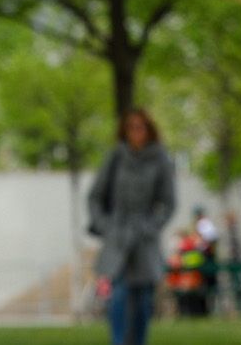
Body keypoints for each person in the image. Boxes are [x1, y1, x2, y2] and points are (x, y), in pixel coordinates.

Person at [88, 109, 175, 345]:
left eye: (141, 127)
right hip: (117, 236)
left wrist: (151, 226)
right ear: (124, 131)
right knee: (120, 293)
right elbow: (95, 197)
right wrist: (105, 225)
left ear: (149, 130)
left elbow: (168, 203)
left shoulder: (160, 160)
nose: (136, 132)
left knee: (143, 298)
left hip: (145, 238)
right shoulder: (115, 158)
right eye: (131, 127)